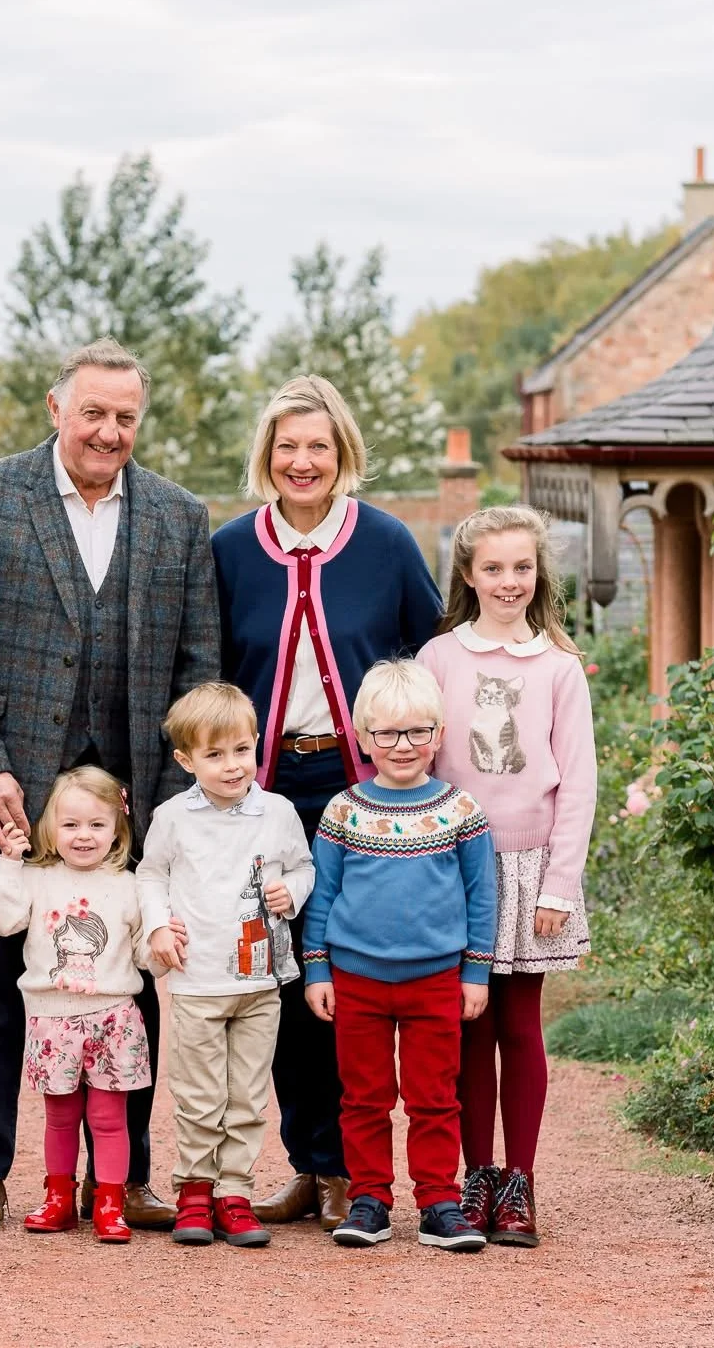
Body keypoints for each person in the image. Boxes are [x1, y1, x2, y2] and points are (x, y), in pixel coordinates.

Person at [0, 337, 221, 1233]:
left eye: (126, 417)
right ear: (56, 408)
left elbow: (198, 664)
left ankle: (120, 1179)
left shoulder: (179, 515)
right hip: (12, 797)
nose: (109, 431)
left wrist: (170, 797)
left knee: (127, 980)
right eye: (93, 412)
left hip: (134, 803)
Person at [210, 374, 442, 1231]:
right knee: (279, 979)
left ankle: (357, 1170)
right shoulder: (232, 549)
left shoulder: (383, 543)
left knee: (349, 974)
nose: (302, 461)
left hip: (364, 795)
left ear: (344, 454)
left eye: (318, 446)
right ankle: (312, 1162)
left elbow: (430, 653)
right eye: (287, 447)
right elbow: (211, 668)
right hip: (262, 794)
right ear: (266, 457)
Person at [419, 506, 596, 1249]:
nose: (508, 581)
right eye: (493, 568)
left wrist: (559, 883)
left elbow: (578, 783)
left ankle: (519, 1182)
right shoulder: (438, 659)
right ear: (467, 574)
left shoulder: (558, 666)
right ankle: (478, 1176)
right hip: (458, 868)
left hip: (531, 871)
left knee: (519, 1025)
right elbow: (418, 764)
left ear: (538, 574)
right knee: (470, 1025)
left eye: (522, 567)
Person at [300, 660, 497, 1253]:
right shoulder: (344, 811)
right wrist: (316, 967)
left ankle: (439, 1201)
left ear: (438, 735)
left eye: (417, 732)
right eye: (386, 733)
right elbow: (323, 892)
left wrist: (475, 972)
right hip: (356, 978)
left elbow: (481, 895)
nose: (402, 745)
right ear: (363, 738)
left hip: (435, 979)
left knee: (435, 1096)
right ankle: (370, 1200)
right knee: (363, 1096)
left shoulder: (460, 812)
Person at [134, 682, 315, 1248]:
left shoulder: (278, 812)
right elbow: (149, 875)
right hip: (197, 981)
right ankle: (194, 1190)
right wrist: (159, 924)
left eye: (242, 749)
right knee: (199, 1094)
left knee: (247, 1096)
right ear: (187, 760)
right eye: (215, 755)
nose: (233, 765)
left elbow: (304, 866)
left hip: (260, 979)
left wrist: (292, 888)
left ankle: (235, 1193)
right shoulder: (173, 818)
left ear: (257, 743)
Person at [0, 767, 167, 1243]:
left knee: (108, 1117)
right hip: (52, 1019)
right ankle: (58, 1197)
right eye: (71, 825)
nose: (84, 836)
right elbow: (1, 919)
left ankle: (109, 1201)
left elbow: (144, 953)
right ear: (48, 828)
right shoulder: (36, 880)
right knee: (60, 1116)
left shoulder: (130, 885)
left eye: (97, 825)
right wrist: (8, 863)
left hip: (115, 1017)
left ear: (117, 829)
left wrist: (164, 948)